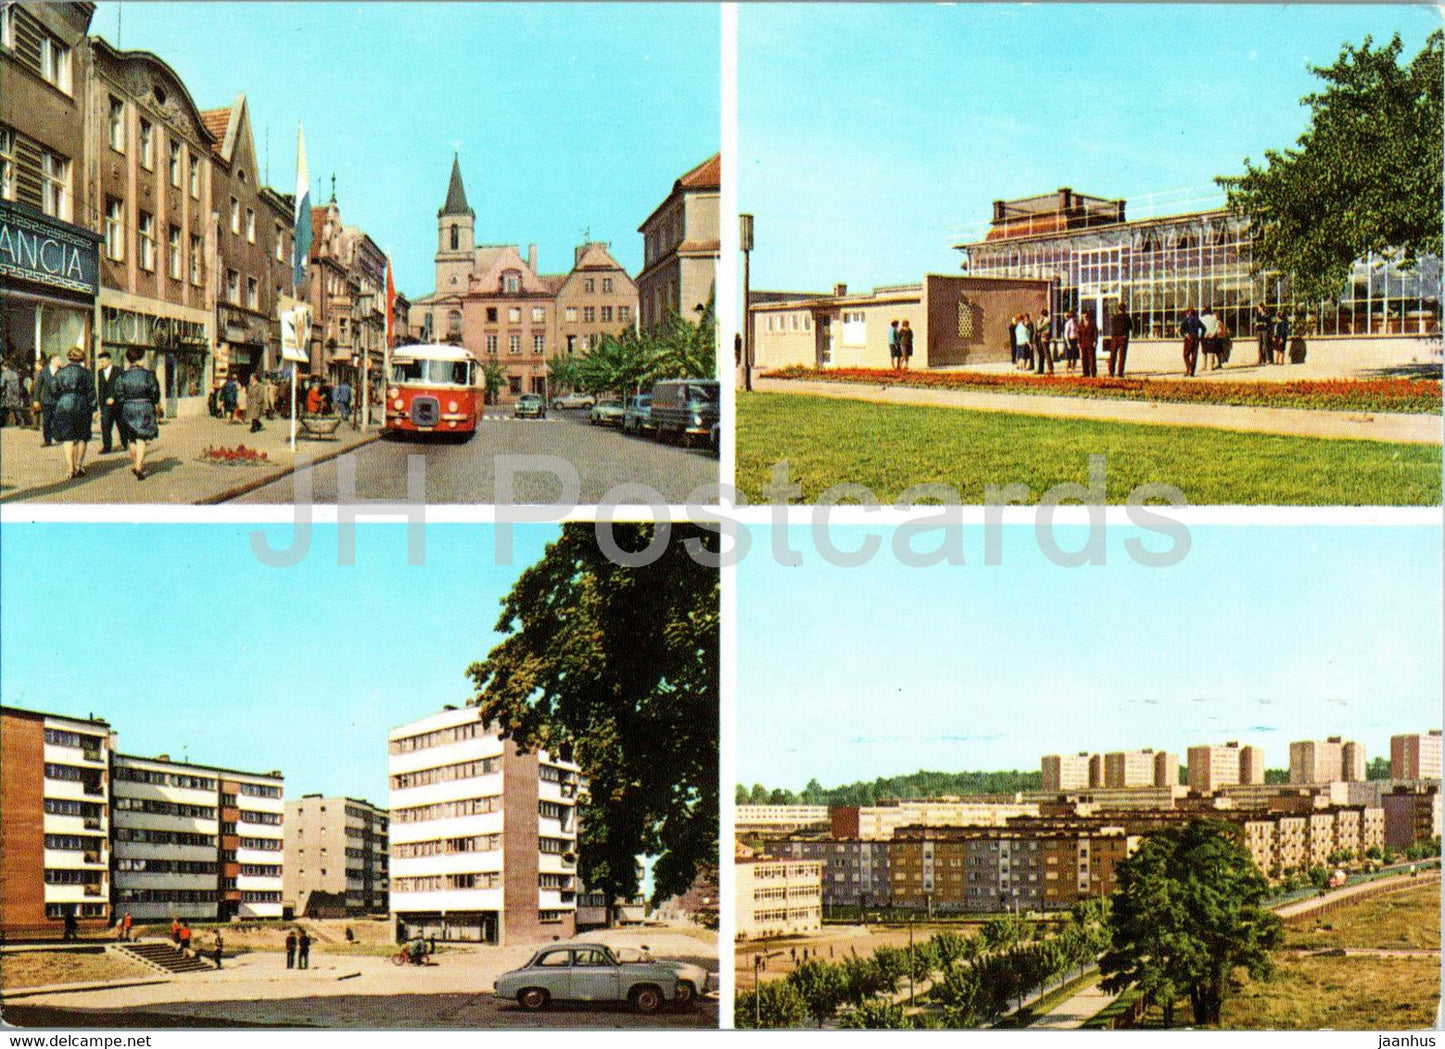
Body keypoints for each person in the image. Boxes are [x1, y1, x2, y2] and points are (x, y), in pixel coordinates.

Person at [114, 349, 162, 480]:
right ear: (141, 359)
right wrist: (154, 402)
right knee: (142, 438)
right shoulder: (149, 375)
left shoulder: (122, 376)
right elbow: (155, 392)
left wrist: (125, 403)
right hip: (145, 407)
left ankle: (135, 463)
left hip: (128, 407)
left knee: (132, 438)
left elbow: (119, 394)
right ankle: (139, 467)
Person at [52, 347, 95, 481]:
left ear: (69, 357)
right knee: (82, 436)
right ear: (82, 358)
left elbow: (53, 390)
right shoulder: (87, 373)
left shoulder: (60, 372)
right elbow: (92, 392)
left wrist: (60, 400)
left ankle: (70, 467)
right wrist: (94, 409)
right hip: (82, 404)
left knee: (68, 437)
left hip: (64, 404)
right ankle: (79, 465)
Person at [94, 351, 127, 454]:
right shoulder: (100, 372)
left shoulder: (119, 371)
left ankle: (125, 443)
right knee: (105, 425)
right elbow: (100, 389)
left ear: (109, 360)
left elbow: (121, 386)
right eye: (100, 362)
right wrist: (101, 405)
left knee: (121, 425)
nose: (101, 364)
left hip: (118, 404)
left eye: (103, 361)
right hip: (106, 405)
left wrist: (113, 397)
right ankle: (107, 447)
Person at [35, 355, 60, 446]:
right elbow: (38, 386)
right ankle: (47, 440)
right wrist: (36, 399)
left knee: (58, 419)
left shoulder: (61, 371)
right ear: (52, 361)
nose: (60, 361)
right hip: (46, 400)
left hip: (58, 400)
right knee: (47, 421)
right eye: (59, 359)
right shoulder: (44, 371)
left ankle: (57, 435)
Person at [1108, 304, 1133, 378]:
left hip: (1115, 337)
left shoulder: (1114, 317)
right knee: (1122, 356)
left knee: (1112, 356)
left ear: (1118, 309)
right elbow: (1131, 327)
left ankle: (1111, 372)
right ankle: (1120, 373)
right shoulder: (1127, 318)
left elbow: (1112, 327)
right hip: (1123, 337)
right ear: (1125, 309)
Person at [1180, 308, 1204, 377]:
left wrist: (1185, 334)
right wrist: (1201, 336)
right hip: (1196, 338)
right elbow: (1204, 328)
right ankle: (1192, 372)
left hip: (1189, 338)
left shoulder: (1186, 320)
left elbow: (1181, 329)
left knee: (1186, 354)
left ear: (1187, 313)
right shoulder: (1197, 320)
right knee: (1194, 355)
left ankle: (1189, 368)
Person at [1076, 309, 1099, 377]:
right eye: (1084, 316)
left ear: (1088, 316)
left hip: (1091, 343)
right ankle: (1086, 373)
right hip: (1083, 344)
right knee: (1084, 359)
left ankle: (1093, 373)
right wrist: (1078, 342)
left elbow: (1095, 333)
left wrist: (1095, 341)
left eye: (1086, 316)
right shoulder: (1081, 325)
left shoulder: (1092, 324)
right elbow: (1079, 334)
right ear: (1082, 316)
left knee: (1092, 359)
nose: (1085, 317)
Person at [1, 358, 22, 427]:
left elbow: (1, 385)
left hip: (8, 394)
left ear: (5, 367)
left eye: (2, 367)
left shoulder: (4, 374)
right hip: (16, 394)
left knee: (5, 408)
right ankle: (19, 421)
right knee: (16, 408)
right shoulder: (15, 373)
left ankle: (6, 422)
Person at [1199, 305, 1221, 371]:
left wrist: (1201, 335)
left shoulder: (1201, 318)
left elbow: (1199, 328)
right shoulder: (1214, 318)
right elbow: (1217, 326)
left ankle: (1204, 366)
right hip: (1212, 336)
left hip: (1204, 336)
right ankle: (1211, 366)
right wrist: (1213, 333)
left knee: (1204, 352)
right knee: (1211, 351)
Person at [1033, 308, 1054, 375]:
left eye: (1041, 314)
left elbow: (1040, 328)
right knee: (1041, 354)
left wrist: (1039, 323)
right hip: (1040, 339)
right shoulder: (1043, 320)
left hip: (1045, 339)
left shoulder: (1046, 320)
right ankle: (1040, 369)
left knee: (1047, 353)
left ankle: (1050, 369)